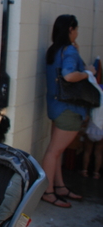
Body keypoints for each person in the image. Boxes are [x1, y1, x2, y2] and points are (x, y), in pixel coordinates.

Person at [41, 14, 95, 208]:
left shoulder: (54, 50)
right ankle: (47, 192)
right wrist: (88, 72)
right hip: (69, 109)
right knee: (54, 152)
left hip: (55, 106)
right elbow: (69, 75)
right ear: (70, 29)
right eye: (76, 29)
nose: (78, 33)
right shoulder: (69, 51)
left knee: (56, 151)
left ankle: (59, 186)